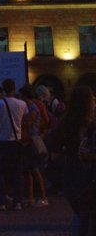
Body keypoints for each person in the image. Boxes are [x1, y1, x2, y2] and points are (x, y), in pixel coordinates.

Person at [53, 85, 96, 236]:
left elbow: (56, 150)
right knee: (86, 216)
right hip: (86, 175)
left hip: (69, 173)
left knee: (80, 215)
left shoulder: (65, 123)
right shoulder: (89, 124)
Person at [0, 77, 27, 210]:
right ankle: (18, 201)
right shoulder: (22, 104)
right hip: (16, 140)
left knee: (0, 172)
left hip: (1, 140)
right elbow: (24, 120)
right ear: (14, 88)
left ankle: (1, 201)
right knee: (18, 172)